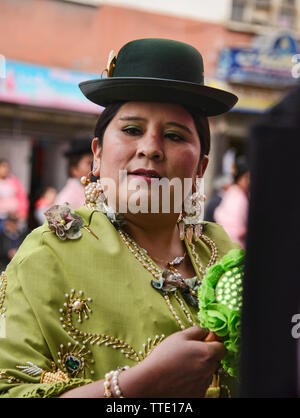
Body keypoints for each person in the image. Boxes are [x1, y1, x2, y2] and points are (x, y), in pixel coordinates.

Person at [0, 38, 240, 398]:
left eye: (174, 135)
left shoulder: (224, 255)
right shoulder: (49, 255)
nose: (150, 147)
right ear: (97, 155)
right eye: (131, 130)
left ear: (200, 168)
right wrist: (139, 385)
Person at [214, 156, 250, 248]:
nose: (249, 181)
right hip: (234, 248)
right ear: (239, 178)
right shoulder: (236, 196)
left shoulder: (238, 194)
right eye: (247, 177)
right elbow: (233, 230)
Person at [54, 139, 93, 209]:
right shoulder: (67, 197)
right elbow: (55, 219)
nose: (94, 167)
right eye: (89, 163)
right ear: (74, 169)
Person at [0, 159, 29, 231]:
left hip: (14, 216)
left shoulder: (14, 180)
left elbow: (22, 197)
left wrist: (22, 213)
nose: (5, 169)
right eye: (3, 167)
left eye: (7, 167)